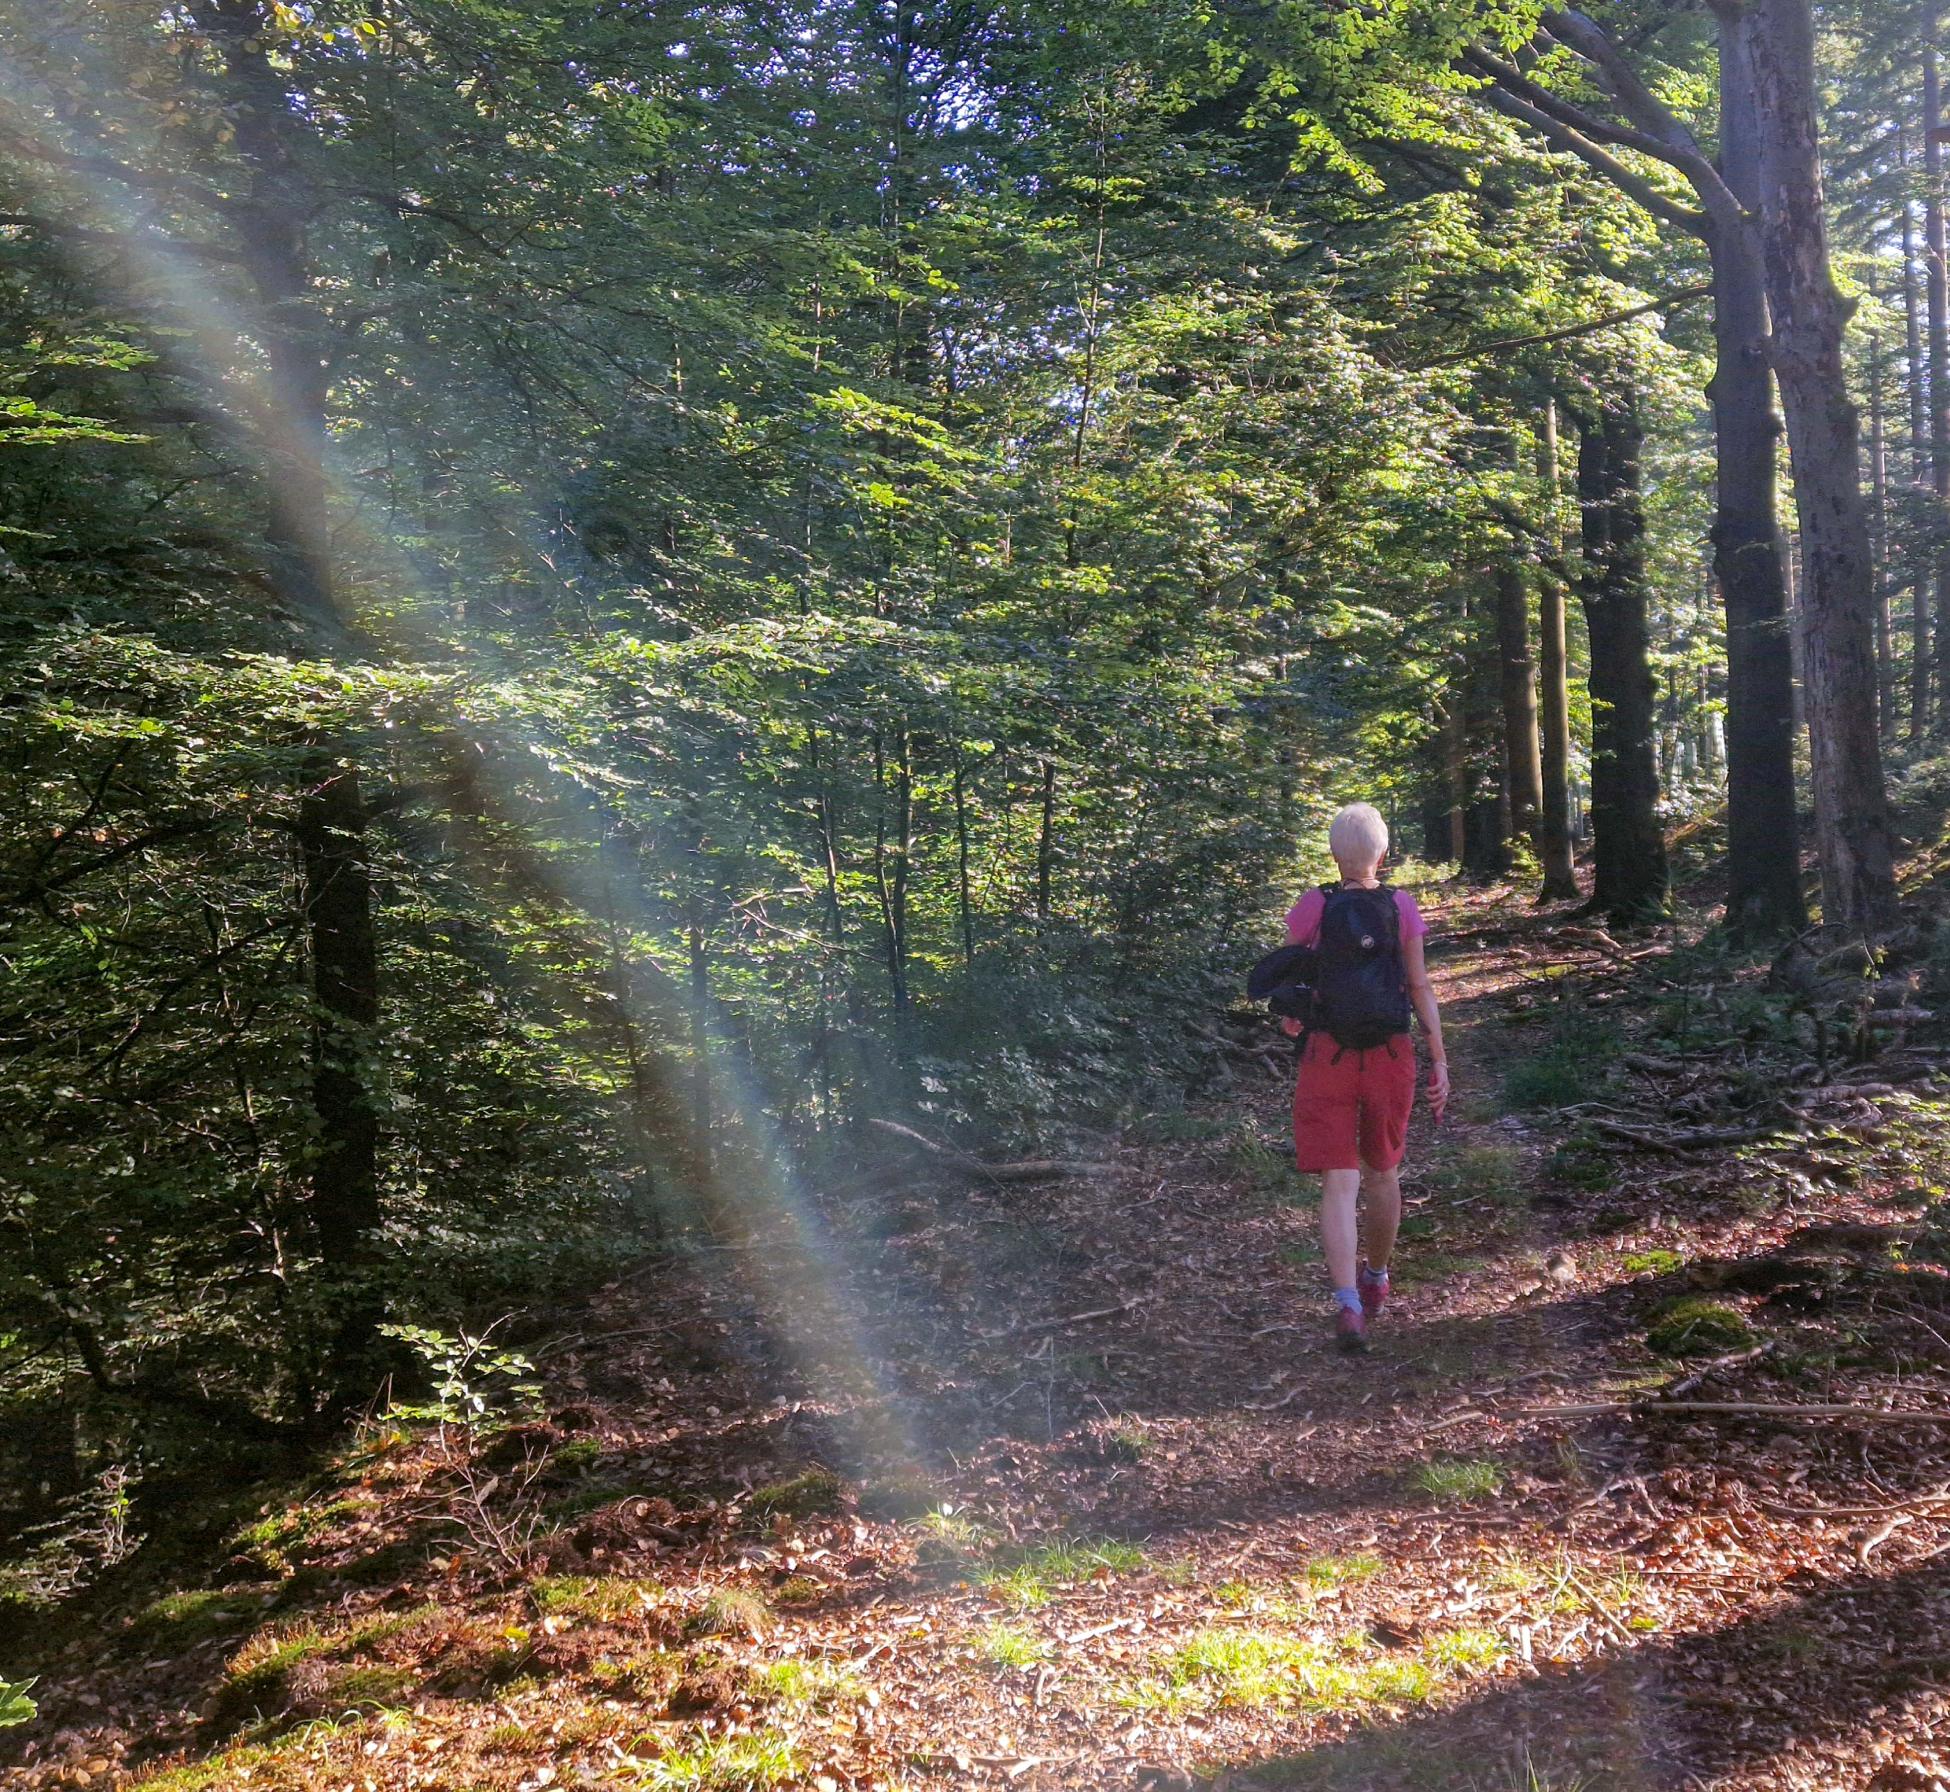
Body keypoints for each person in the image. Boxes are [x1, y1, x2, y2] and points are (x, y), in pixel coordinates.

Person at [1283, 802, 1448, 1352]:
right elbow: (1419, 985)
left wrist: (1291, 1019)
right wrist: (1438, 1055)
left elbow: (1289, 983)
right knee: (1383, 1172)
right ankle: (1377, 1278)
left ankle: (1347, 1303)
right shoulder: (1401, 905)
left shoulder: (1313, 905)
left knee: (1339, 1180)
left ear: (1334, 855)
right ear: (1383, 852)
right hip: (1389, 1052)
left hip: (1326, 1054)